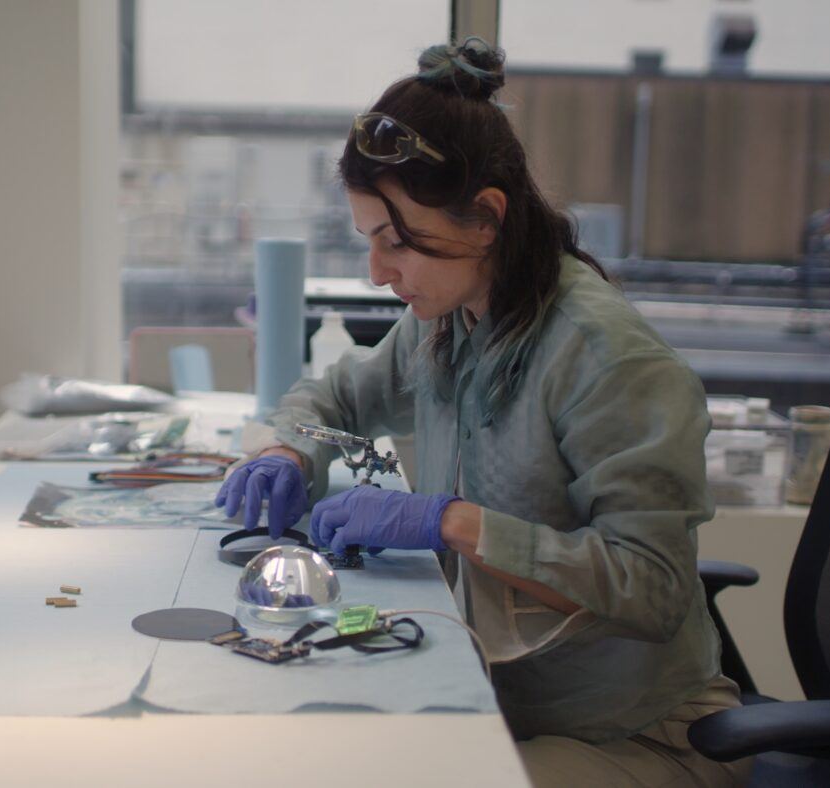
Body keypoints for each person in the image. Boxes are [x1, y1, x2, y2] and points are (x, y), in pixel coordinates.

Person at [214, 37, 750, 787]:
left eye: (397, 242)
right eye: (369, 242)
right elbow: (335, 397)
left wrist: (453, 523)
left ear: (485, 217)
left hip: (635, 735)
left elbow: (652, 586)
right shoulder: (450, 321)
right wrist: (287, 451)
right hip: (499, 703)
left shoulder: (605, 358)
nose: (378, 272)